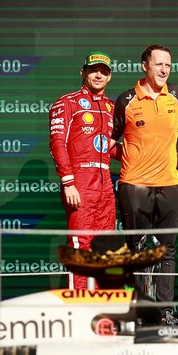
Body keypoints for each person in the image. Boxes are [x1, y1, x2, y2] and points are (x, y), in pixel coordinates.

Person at [112, 44, 178, 325]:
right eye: (158, 64)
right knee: (136, 251)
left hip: (170, 184)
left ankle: (165, 312)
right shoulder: (125, 100)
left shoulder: (177, 94)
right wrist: (130, 157)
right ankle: (135, 313)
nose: (163, 70)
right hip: (134, 185)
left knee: (167, 251)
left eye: (168, 65)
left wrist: (176, 144)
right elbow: (111, 138)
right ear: (144, 66)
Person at [49, 52, 117, 290]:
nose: (99, 75)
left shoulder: (112, 107)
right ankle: (78, 307)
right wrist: (68, 181)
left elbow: (117, 148)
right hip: (80, 179)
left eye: (104, 71)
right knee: (81, 244)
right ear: (83, 73)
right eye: (93, 70)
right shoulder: (68, 102)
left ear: (109, 77)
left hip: (105, 181)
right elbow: (57, 142)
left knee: (105, 246)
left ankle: (101, 308)